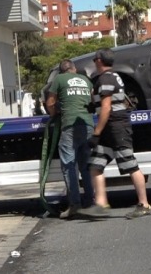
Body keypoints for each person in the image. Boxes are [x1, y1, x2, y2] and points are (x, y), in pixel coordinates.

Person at [78, 48, 151, 220]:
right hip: (110, 129)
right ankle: (101, 204)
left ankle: (144, 204)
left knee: (130, 165)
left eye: (95, 58)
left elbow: (106, 108)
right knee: (95, 166)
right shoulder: (112, 76)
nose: (94, 61)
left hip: (116, 127)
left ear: (99, 61)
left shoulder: (105, 79)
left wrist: (96, 132)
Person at [45, 59, 95, 219]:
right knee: (86, 166)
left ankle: (75, 205)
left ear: (61, 71)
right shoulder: (86, 80)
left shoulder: (59, 79)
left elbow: (50, 102)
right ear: (73, 68)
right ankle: (90, 201)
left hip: (70, 126)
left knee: (68, 166)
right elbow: (92, 100)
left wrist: (55, 114)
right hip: (87, 125)